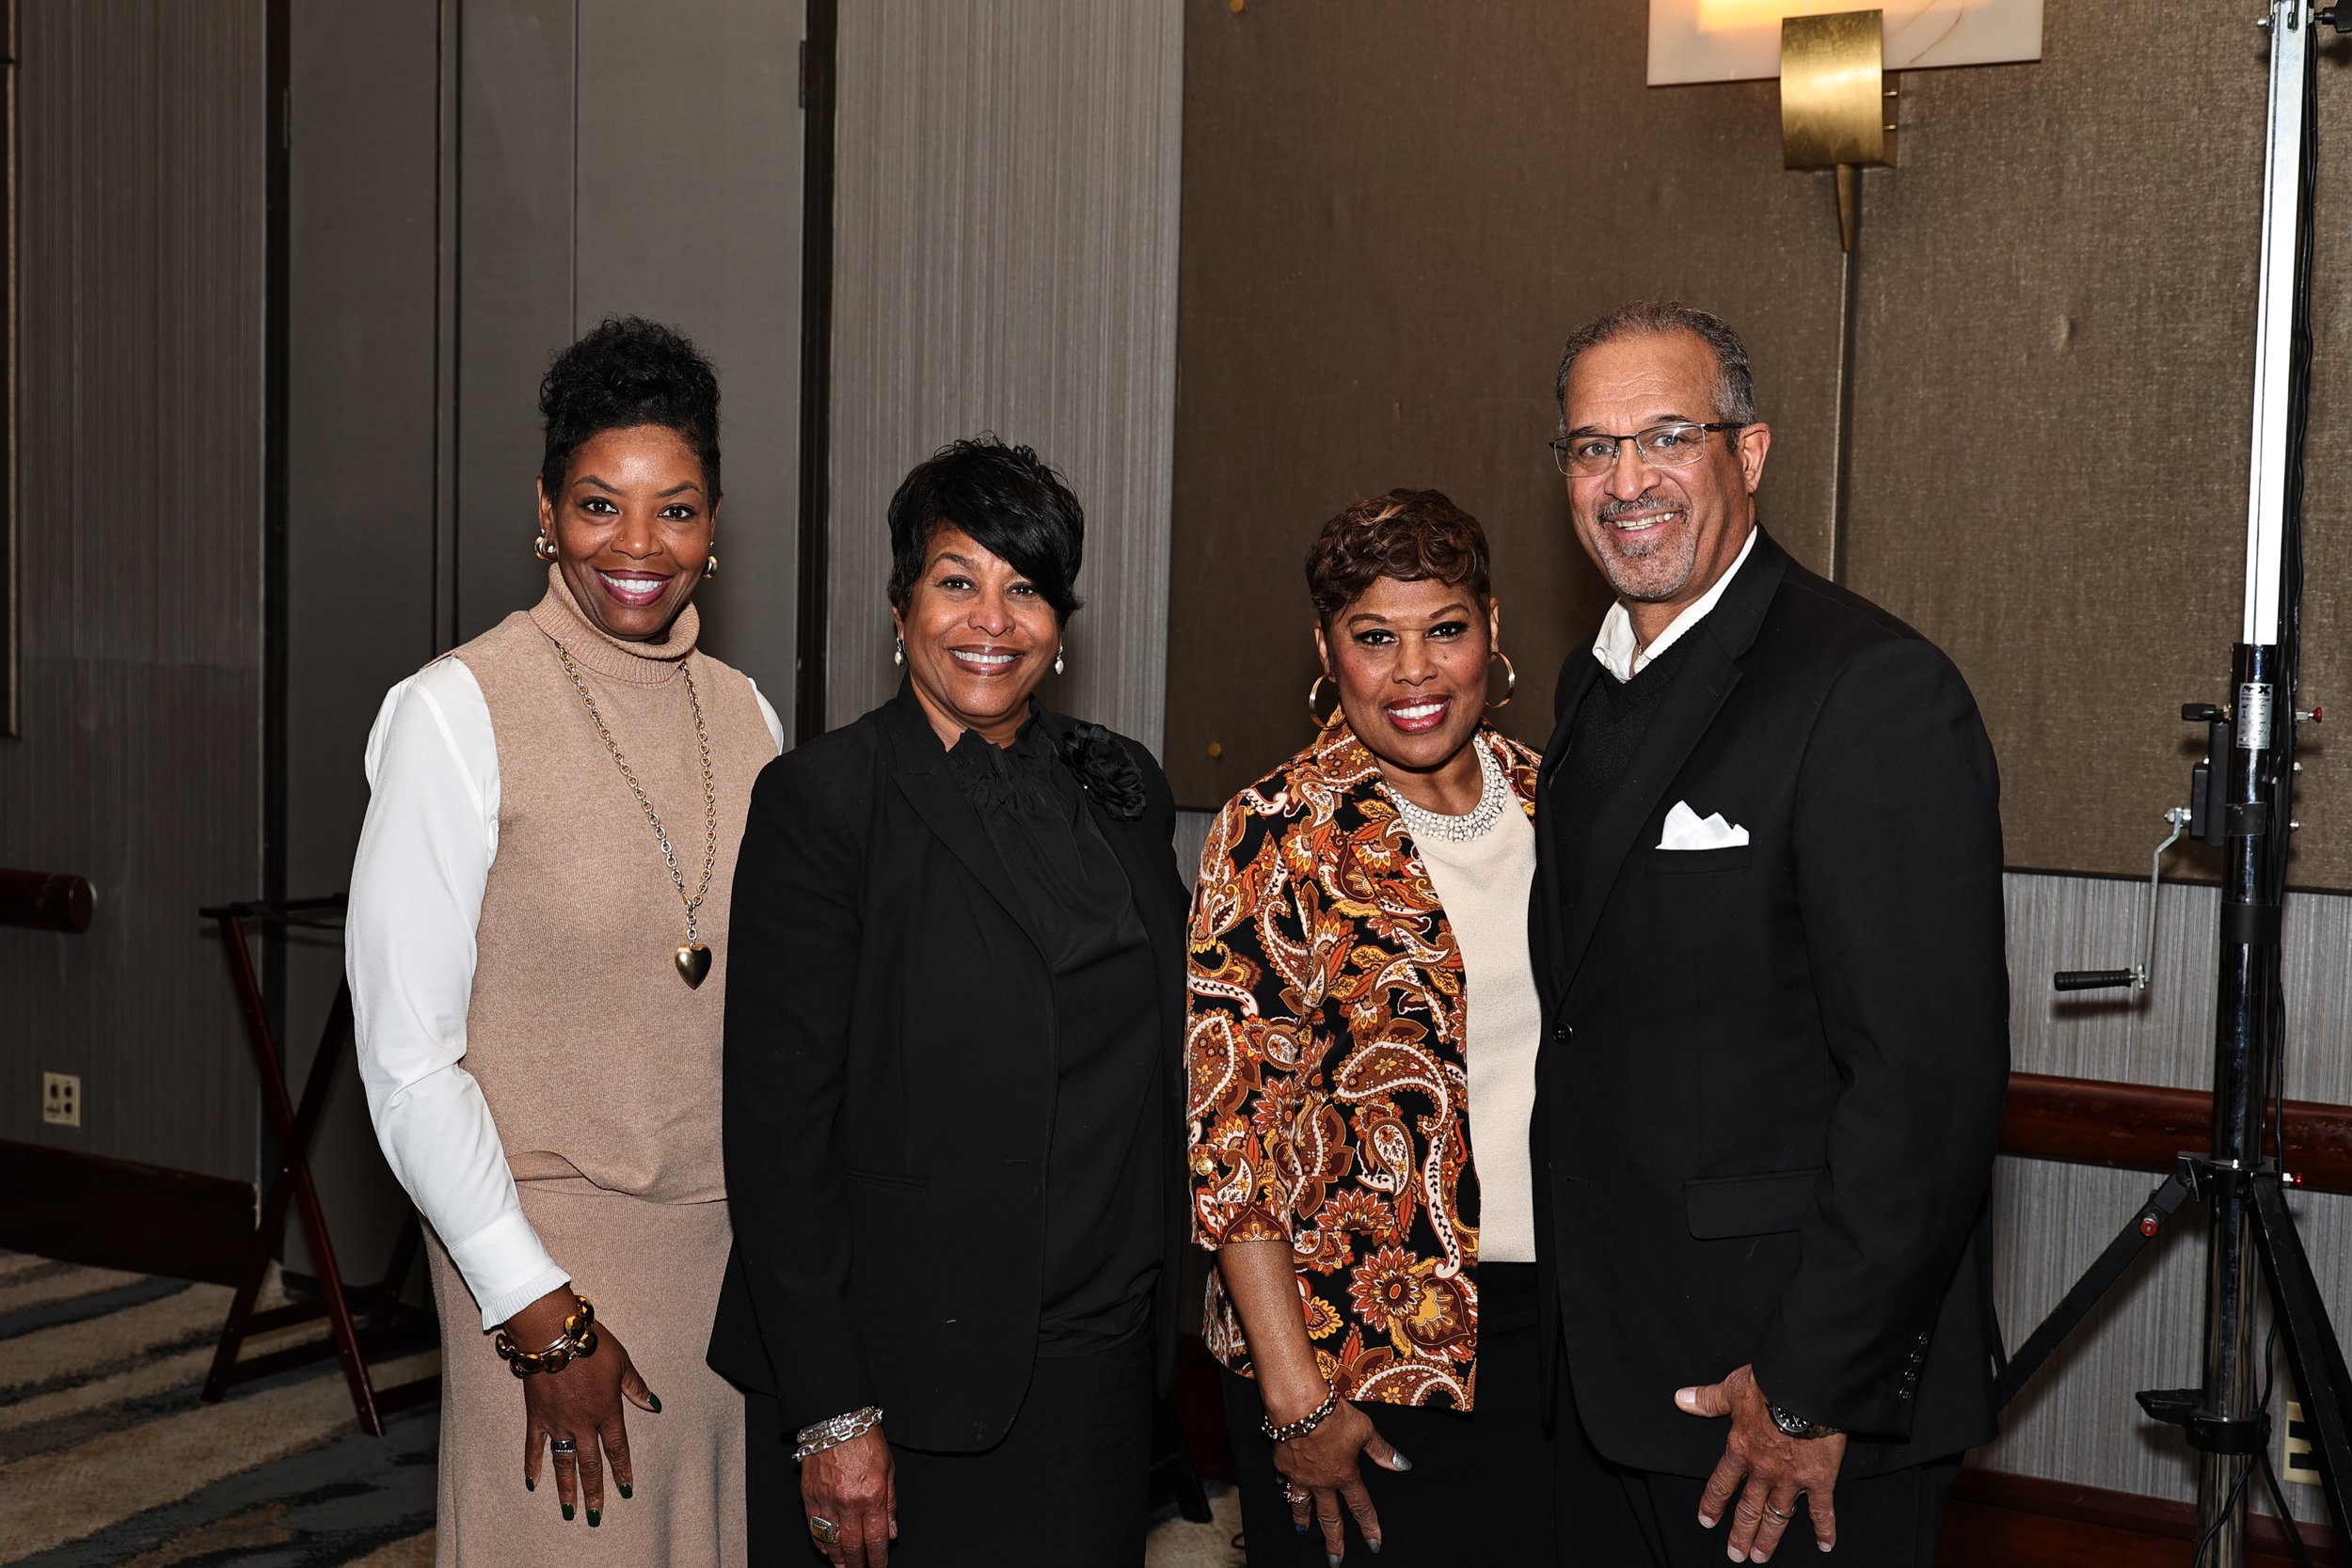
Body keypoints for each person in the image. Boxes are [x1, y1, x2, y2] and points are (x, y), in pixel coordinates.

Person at [1530, 300, 2010, 1566]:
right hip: (1611, 1375)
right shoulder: (1587, 685)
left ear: (1748, 453)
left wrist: (1810, 1382)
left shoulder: (1869, 688)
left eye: (1666, 436)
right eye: (1591, 447)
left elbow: (1925, 1086)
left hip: (1786, 1402)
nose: (1627, 480)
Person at [707, 437, 1191, 1568]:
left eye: (1026, 587)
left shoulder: (1121, 784)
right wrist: (834, 1411)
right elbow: (779, 1138)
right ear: (901, 603)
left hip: (1097, 1357)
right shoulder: (823, 802)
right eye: (956, 579)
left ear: (1061, 620)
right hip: (899, 1368)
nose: (992, 619)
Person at [347, 317, 783, 1565]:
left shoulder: (748, 715)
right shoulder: (454, 710)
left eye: (675, 510)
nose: (639, 546)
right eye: (600, 505)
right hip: (545, 1256)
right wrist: (536, 1310)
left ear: (715, 522)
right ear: (545, 511)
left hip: (726, 1256)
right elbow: (408, 1060)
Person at [1186, 489, 1555, 1564]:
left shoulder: (1560, 799)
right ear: (1325, 647)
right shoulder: (1271, 833)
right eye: (1374, 637)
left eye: (1444, 628)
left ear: (1492, 626)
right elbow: (1233, 1143)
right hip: (1349, 1350)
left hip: (1558, 1335)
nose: (1414, 672)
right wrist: (1297, 1399)